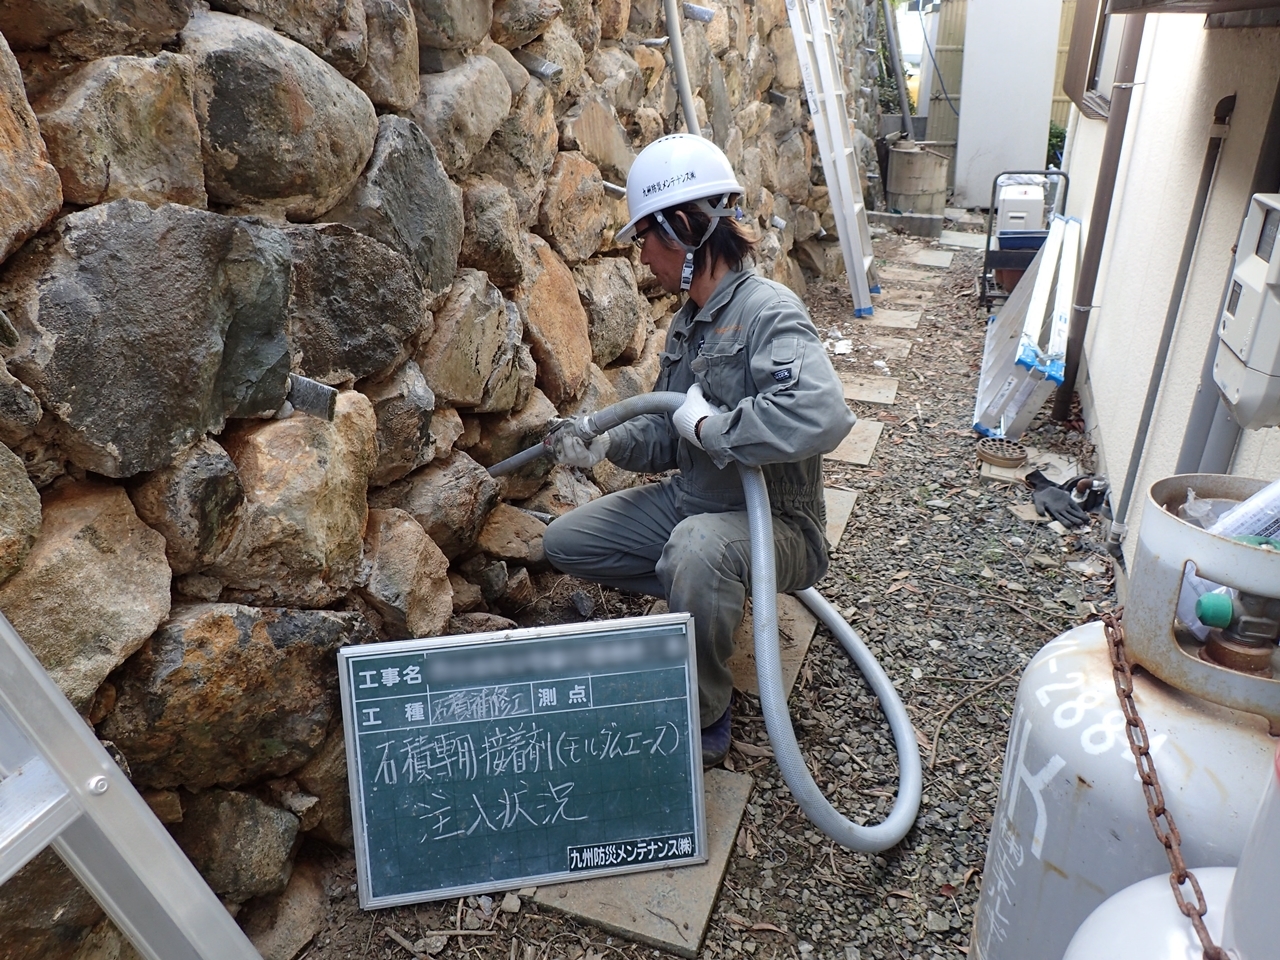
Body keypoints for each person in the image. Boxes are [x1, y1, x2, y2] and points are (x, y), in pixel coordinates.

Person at [542, 134, 856, 767]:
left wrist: (717, 430)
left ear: (683, 228)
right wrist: (602, 441)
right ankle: (707, 595)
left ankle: (707, 711)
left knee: (697, 551)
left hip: (779, 527)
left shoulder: (769, 311)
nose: (641, 257)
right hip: (690, 503)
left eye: (644, 239)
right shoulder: (687, 322)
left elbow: (822, 414)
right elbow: (664, 427)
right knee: (564, 544)